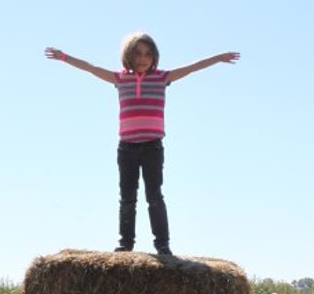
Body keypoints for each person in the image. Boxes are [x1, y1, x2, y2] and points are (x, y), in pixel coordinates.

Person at [45, 33, 239, 255]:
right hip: (127, 147)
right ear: (128, 55)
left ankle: (162, 245)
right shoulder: (120, 79)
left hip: (152, 147)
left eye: (148, 54)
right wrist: (63, 57)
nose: (143, 58)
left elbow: (193, 67)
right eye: (138, 53)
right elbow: (90, 67)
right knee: (127, 197)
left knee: (154, 196)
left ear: (154, 56)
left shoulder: (162, 78)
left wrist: (219, 58)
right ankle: (126, 243)